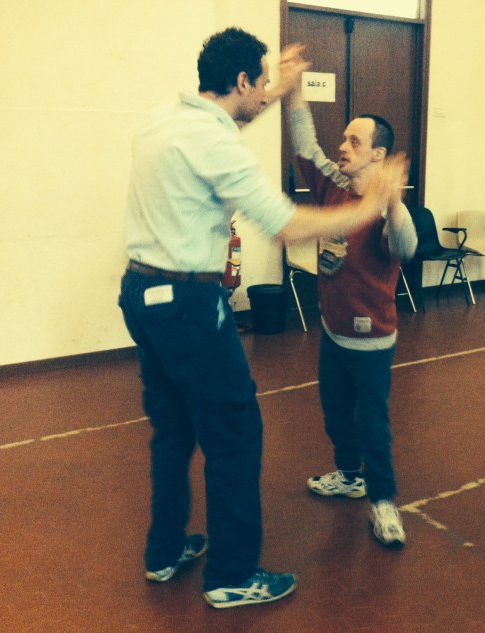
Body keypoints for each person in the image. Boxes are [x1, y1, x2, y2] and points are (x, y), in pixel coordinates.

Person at [118, 28, 406, 609]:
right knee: (236, 433)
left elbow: (235, 120)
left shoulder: (164, 120)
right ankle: (231, 576)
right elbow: (289, 226)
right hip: (188, 305)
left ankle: (164, 550)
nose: (267, 91)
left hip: (142, 295)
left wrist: (285, 91)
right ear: (242, 80)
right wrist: (373, 203)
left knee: (173, 430)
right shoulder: (215, 143)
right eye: (263, 81)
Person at [284, 66, 417, 547]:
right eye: (343, 138)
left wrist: (394, 202)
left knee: (372, 423)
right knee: (336, 413)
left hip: (371, 339)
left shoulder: (385, 210)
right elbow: (306, 146)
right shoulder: (333, 187)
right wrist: (293, 92)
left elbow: (406, 247)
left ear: (378, 154)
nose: (342, 147)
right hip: (332, 330)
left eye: (354, 142)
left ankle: (382, 501)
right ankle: (349, 475)